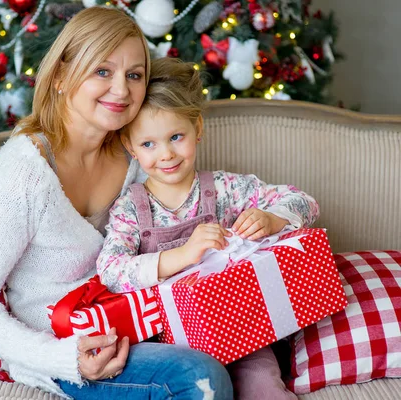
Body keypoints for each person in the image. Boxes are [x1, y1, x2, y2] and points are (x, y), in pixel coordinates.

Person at [0, 7, 233, 400]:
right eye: (102, 71)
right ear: (61, 76)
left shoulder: (138, 157)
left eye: (134, 75)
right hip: (62, 346)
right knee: (198, 377)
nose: (122, 90)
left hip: (135, 324)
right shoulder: (27, 172)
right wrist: (63, 358)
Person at [96, 57, 320, 400]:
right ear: (130, 147)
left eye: (176, 136)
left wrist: (272, 218)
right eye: (148, 144)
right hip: (172, 342)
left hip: (244, 329)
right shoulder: (130, 208)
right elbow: (111, 272)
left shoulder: (226, 188)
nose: (167, 154)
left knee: (263, 387)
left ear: (197, 129)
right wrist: (183, 255)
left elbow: (304, 201)